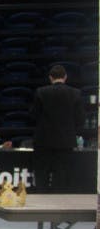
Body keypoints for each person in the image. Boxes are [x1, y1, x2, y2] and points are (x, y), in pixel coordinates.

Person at [31, 64, 85, 193]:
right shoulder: (76, 93)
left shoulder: (41, 92)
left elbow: (34, 115)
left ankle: (41, 203)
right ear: (65, 77)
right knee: (61, 175)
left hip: (43, 141)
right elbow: (80, 119)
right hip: (65, 143)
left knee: (42, 174)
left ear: (50, 78)